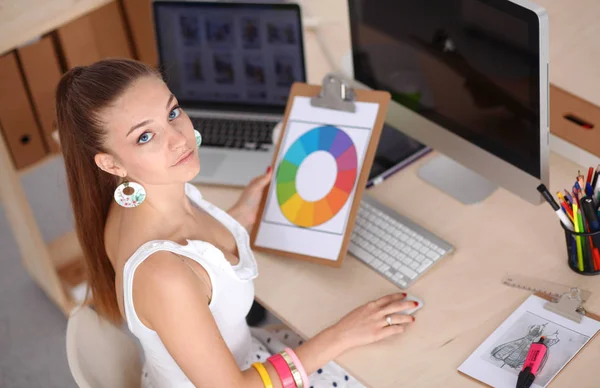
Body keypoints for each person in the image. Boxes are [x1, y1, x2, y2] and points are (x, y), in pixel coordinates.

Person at [56, 58, 416, 388]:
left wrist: (237, 216)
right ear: (111, 165)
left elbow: (196, 262)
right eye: (145, 136)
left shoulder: (136, 201)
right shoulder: (163, 275)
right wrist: (343, 334)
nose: (180, 139)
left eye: (173, 112)